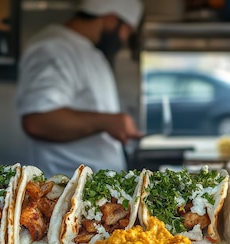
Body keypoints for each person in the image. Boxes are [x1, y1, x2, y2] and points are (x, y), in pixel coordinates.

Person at [15, 0, 144, 177]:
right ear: (112, 19)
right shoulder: (54, 48)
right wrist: (107, 121)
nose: (124, 40)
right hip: (65, 192)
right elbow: (38, 121)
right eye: (127, 31)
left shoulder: (91, 52)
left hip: (93, 192)